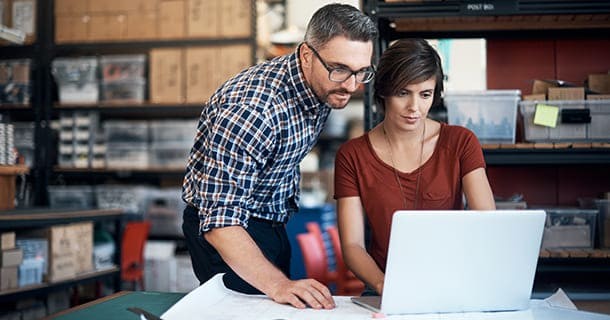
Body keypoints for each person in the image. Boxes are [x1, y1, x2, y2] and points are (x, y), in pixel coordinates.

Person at [182, 3, 378, 309]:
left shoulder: (323, 83)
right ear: (306, 56)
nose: (351, 86)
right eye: (340, 69)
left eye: (361, 72)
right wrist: (277, 283)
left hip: (272, 220)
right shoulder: (252, 111)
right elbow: (220, 220)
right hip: (228, 232)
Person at [333, 38, 496, 296]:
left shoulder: (460, 142)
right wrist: (382, 285)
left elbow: (487, 225)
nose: (414, 108)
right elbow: (353, 245)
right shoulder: (352, 156)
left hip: (453, 285)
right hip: (384, 288)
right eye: (402, 93)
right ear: (384, 91)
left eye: (425, 94)